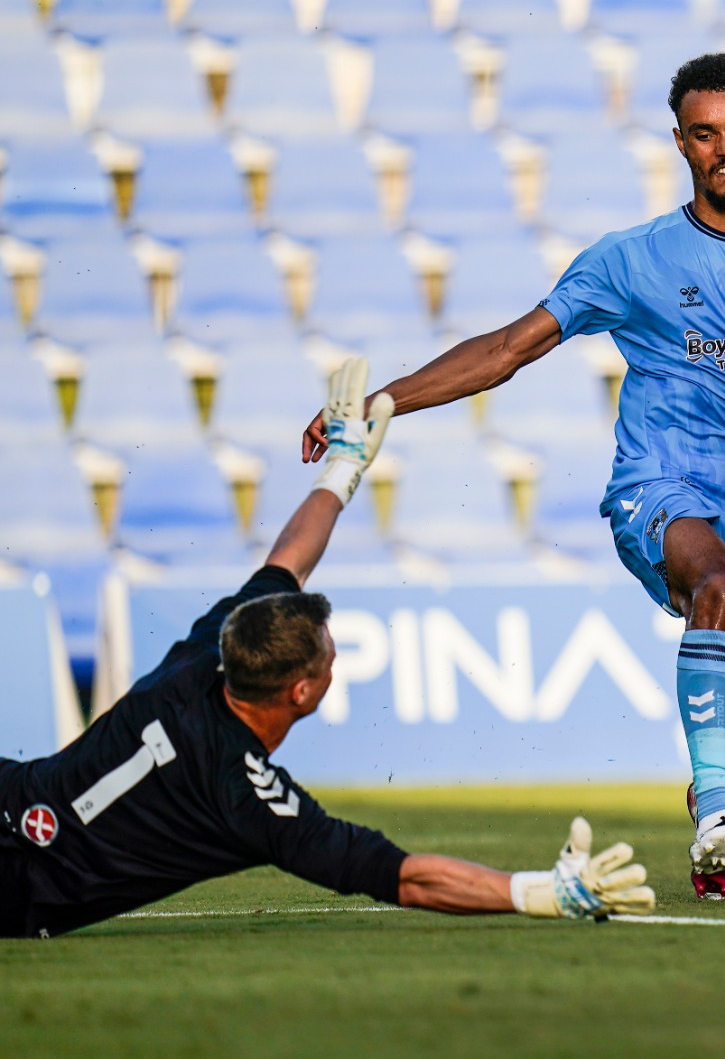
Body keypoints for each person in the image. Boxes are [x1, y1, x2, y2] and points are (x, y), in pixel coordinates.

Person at [301, 54, 725, 900]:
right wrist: (386, 399)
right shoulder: (631, 259)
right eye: (705, 135)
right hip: (661, 489)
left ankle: (724, 798)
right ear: (679, 143)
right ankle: (717, 824)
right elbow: (506, 350)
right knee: (713, 586)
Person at [0, 360, 654, 938]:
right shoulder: (245, 800)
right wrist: (537, 893)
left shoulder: (205, 654)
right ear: (303, 690)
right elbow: (400, 877)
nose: (335, 657)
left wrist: (345, 467)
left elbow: (289, 561)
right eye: (330, 655)